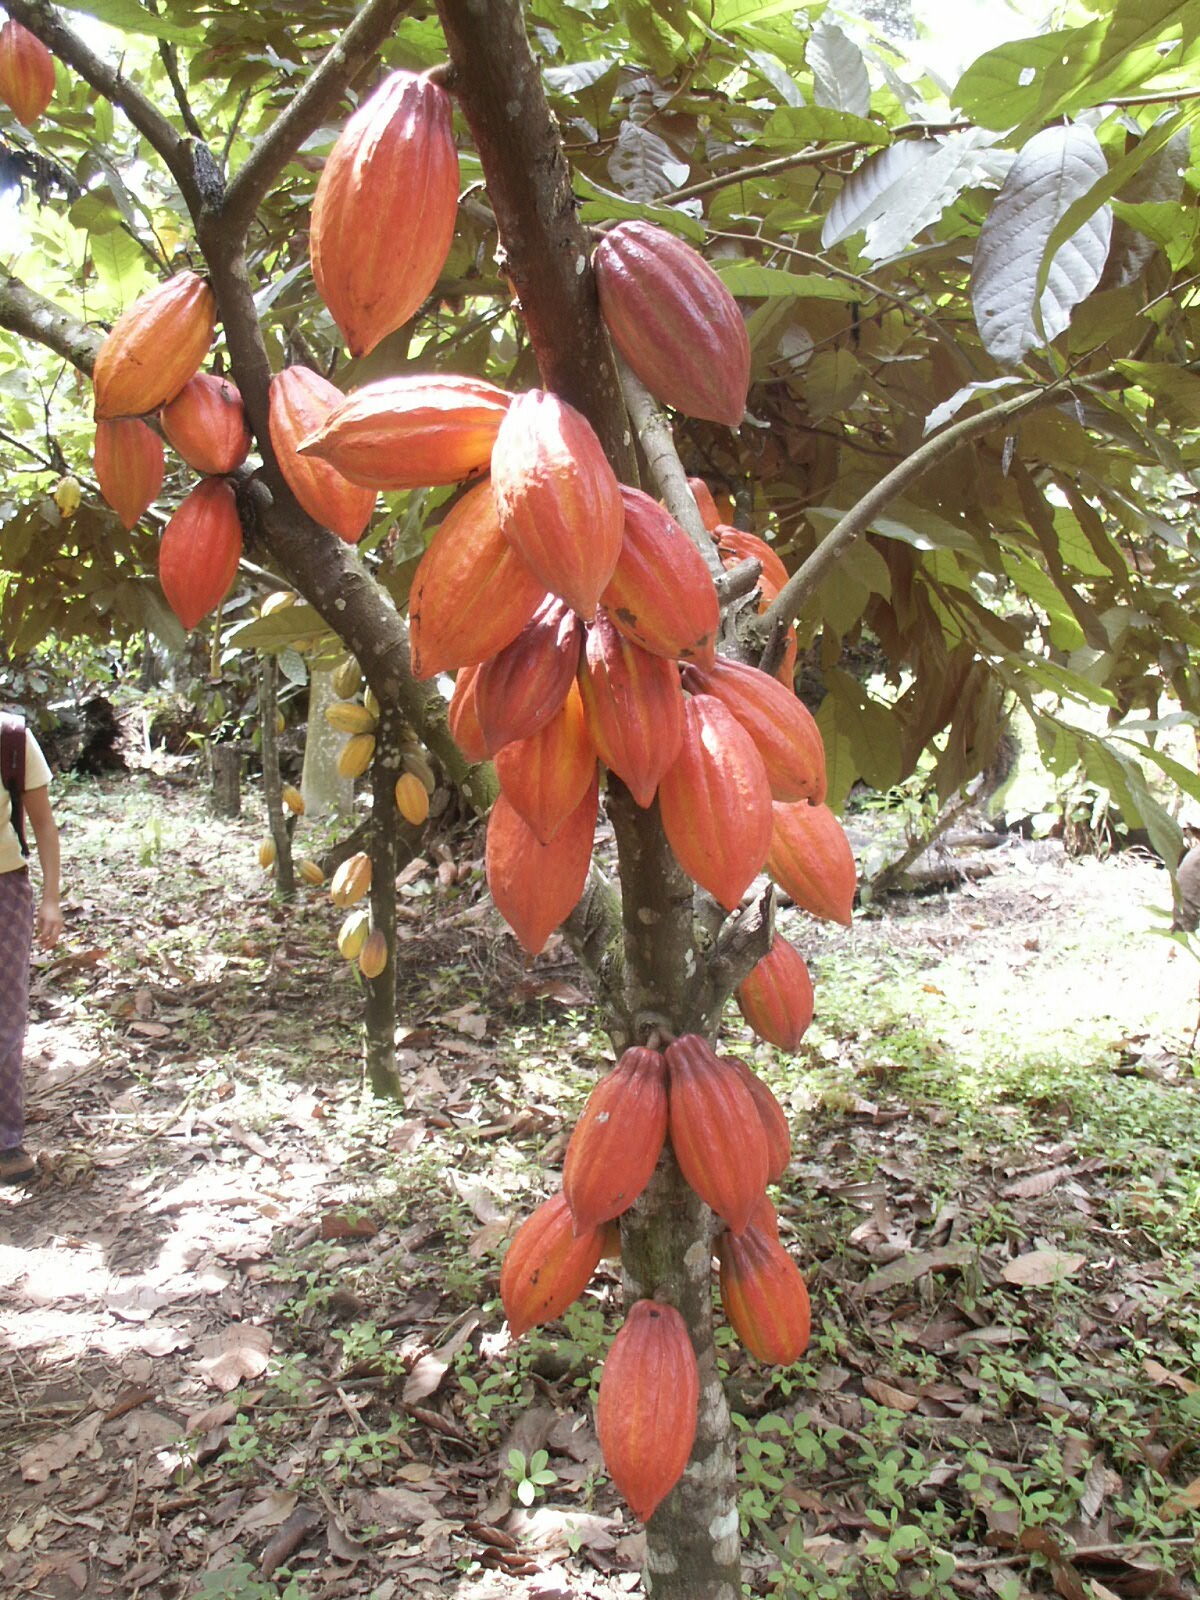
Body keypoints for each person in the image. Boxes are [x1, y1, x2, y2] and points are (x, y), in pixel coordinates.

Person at [0, 720, 63, 1184]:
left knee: (6, 1019)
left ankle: (5, 1142)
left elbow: (42, 821)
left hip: (6, 891)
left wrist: (51, 898)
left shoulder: (11, 739)